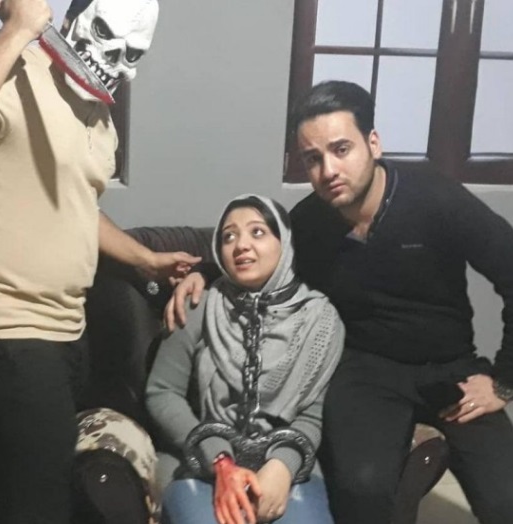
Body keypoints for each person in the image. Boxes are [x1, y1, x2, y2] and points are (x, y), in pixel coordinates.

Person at [167, 81, 513, 524]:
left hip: (451, 366)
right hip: (364, 370)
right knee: (361, 489)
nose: (328, 169)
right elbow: (258, 255)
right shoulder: (310, 221)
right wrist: (201, 272)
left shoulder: (435, 197)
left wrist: (504, 382)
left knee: (505, 499)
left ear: (373, 144)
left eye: (341, 149)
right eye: (313, 158)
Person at [0, 1, 200, 523]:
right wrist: (17, 29)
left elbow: (79, 206)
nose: (117, 60)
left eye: (133, 53)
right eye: (107, 35)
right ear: (74, 19)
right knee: (42, 499)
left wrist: (146, 259)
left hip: (64, 326)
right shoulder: (17, 72)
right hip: (4, 323)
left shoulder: (100, 119)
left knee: (6, 481)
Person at [147, 195, 344, 524]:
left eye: (258, 232)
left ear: (284, 242)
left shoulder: (320, 321)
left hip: (288, 465)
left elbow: (312, 414)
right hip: (199, 464)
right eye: (229, 236)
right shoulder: (197, 305)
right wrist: (220, 460)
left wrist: (281, 467)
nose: (241, 245)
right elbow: (162, 392)